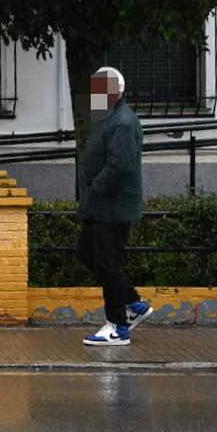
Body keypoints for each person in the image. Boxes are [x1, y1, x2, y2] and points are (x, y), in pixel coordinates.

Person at [78, 66, 153, 346]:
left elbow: (119, 166)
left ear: (116, 92)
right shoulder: (108, 118)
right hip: (100, 205)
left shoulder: (123, 122)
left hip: (112, 206)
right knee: (87, 252)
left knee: (108, 263)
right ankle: (134, 304)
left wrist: (95, 188)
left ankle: (117, 327)